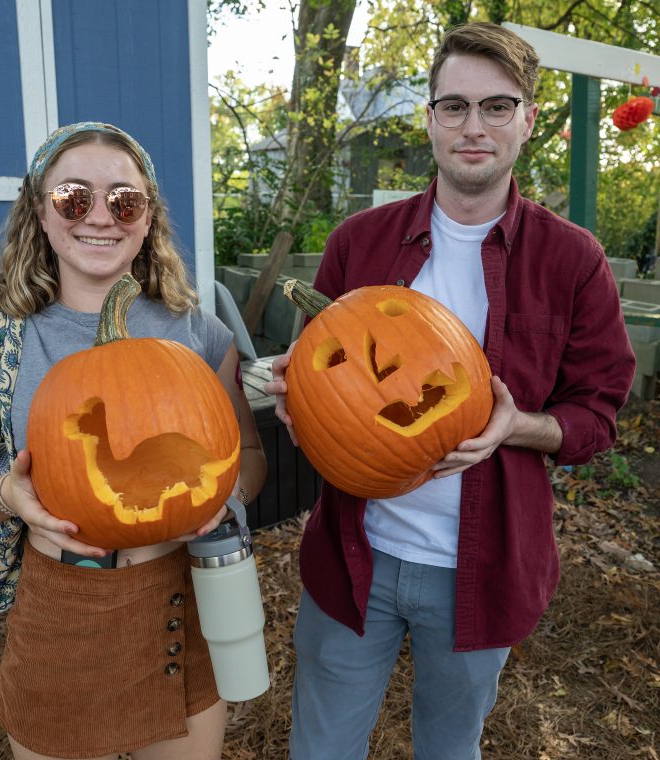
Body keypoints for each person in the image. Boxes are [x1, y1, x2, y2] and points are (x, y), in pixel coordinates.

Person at [265, 22, 636, 760]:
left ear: (528, 120)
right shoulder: (361, 244)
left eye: (497, 107)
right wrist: (298, 405)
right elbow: (323, 374)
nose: (474, 127)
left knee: (449, 749)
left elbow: (596, 418)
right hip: (354, 557)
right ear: (430, 118)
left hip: (485, 565)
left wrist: (516, 427)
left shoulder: (572, 261)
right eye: (455, 106)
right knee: (322, 748)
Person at [0, 122, 267, 760]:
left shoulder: (199, 332)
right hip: (61, 612)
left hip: (181, 596)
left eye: (124, 200)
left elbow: (245, 458)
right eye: (73, 198)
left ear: (146, 218)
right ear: (40, 211)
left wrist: (226, 497)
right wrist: (10, 495)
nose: (101, 217)